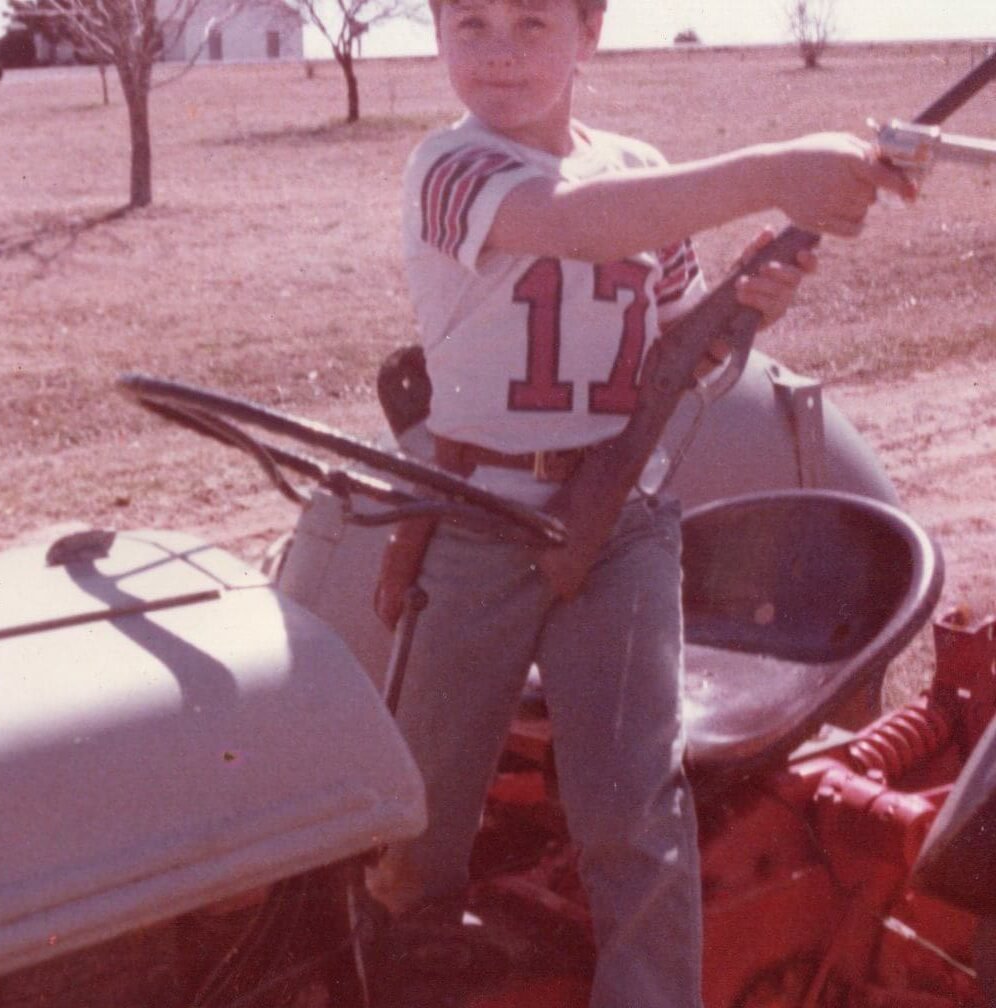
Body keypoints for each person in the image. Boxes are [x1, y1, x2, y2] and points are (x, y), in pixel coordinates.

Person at [366, 0, 917, 1005]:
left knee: (634, 802)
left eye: (531, 23)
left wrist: (743, 310)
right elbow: (574, 227)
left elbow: (680, 358)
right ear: (437, 33)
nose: (497, 51)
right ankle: (412, 969)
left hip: (617, 523)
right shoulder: (448, 168)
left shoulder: (640, 173)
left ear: (588, 35)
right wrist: (771, 170)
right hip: (476, 515)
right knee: (426, 801)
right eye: (469, 23)